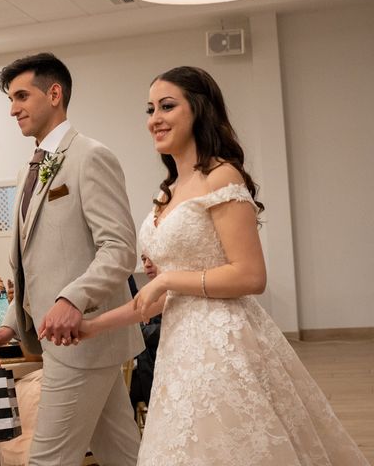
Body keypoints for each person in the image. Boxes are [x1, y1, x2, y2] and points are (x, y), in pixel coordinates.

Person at [64, 66, 368, 465]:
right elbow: (161, 298)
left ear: (199, 110)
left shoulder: (221, 175)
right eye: (150, 108)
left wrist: (170, 277)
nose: (155, 118)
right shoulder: (167, 191)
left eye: (167, 106)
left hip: (223, 343)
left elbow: (250, 275)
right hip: (179, 347)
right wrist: (92, 327)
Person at [0, 52, 143, 466]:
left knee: (47, 460)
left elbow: (119, 248)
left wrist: (72, 299)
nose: (13, 109)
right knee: (122, 454)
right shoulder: (27, 170)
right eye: (10, 100)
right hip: (63, 340)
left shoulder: (90, 156)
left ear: (54, 94)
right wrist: (12, 323)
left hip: (81, 338)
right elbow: (38, 265)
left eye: (21, 96)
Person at [129, 254, 161, 410]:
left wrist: (141, 331)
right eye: (143, 260)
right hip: (142, 367)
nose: (147, 264)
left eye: (152, 259)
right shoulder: (141, 294)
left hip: (157, 369)